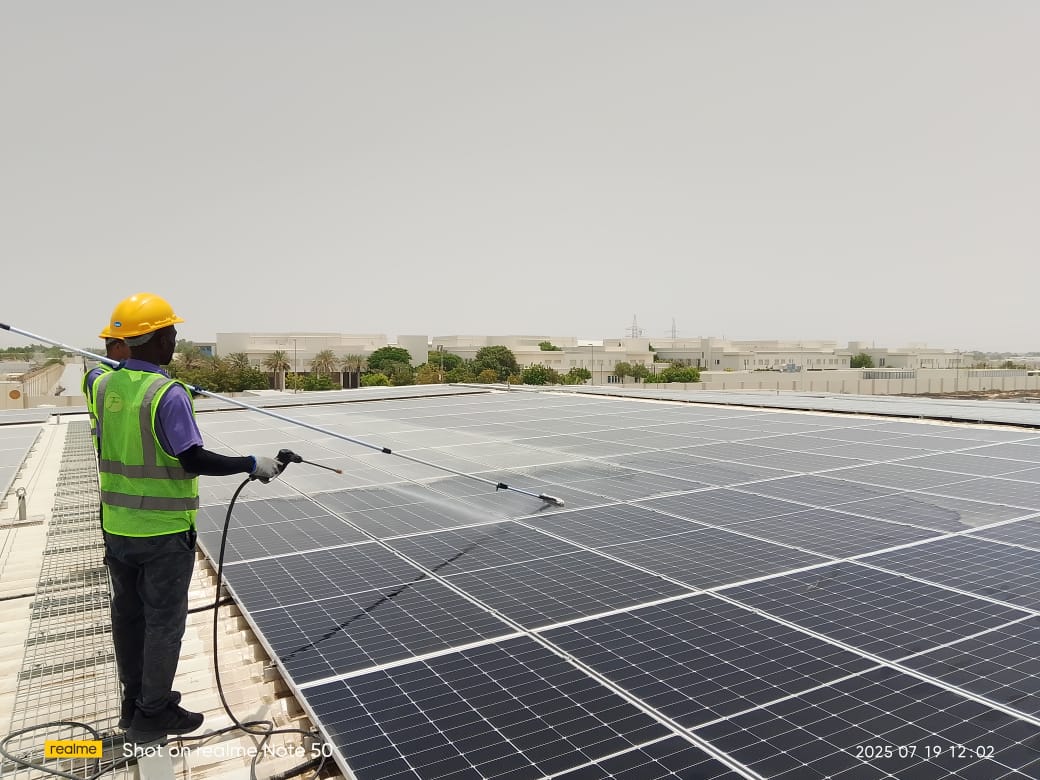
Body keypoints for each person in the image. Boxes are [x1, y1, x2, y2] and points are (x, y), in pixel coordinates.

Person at [89, 292, 283, 744]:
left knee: (128, 616)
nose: (176, 340)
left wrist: (129, 362)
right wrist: (251, 463)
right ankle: (153, 713)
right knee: (163, 624)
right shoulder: (167, 394)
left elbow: (102, 367)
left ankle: (132, 700)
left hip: (117, 527)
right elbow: (192, 459)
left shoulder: (101, 385)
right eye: (171, 333)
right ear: (155, 340)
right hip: (162, 533)